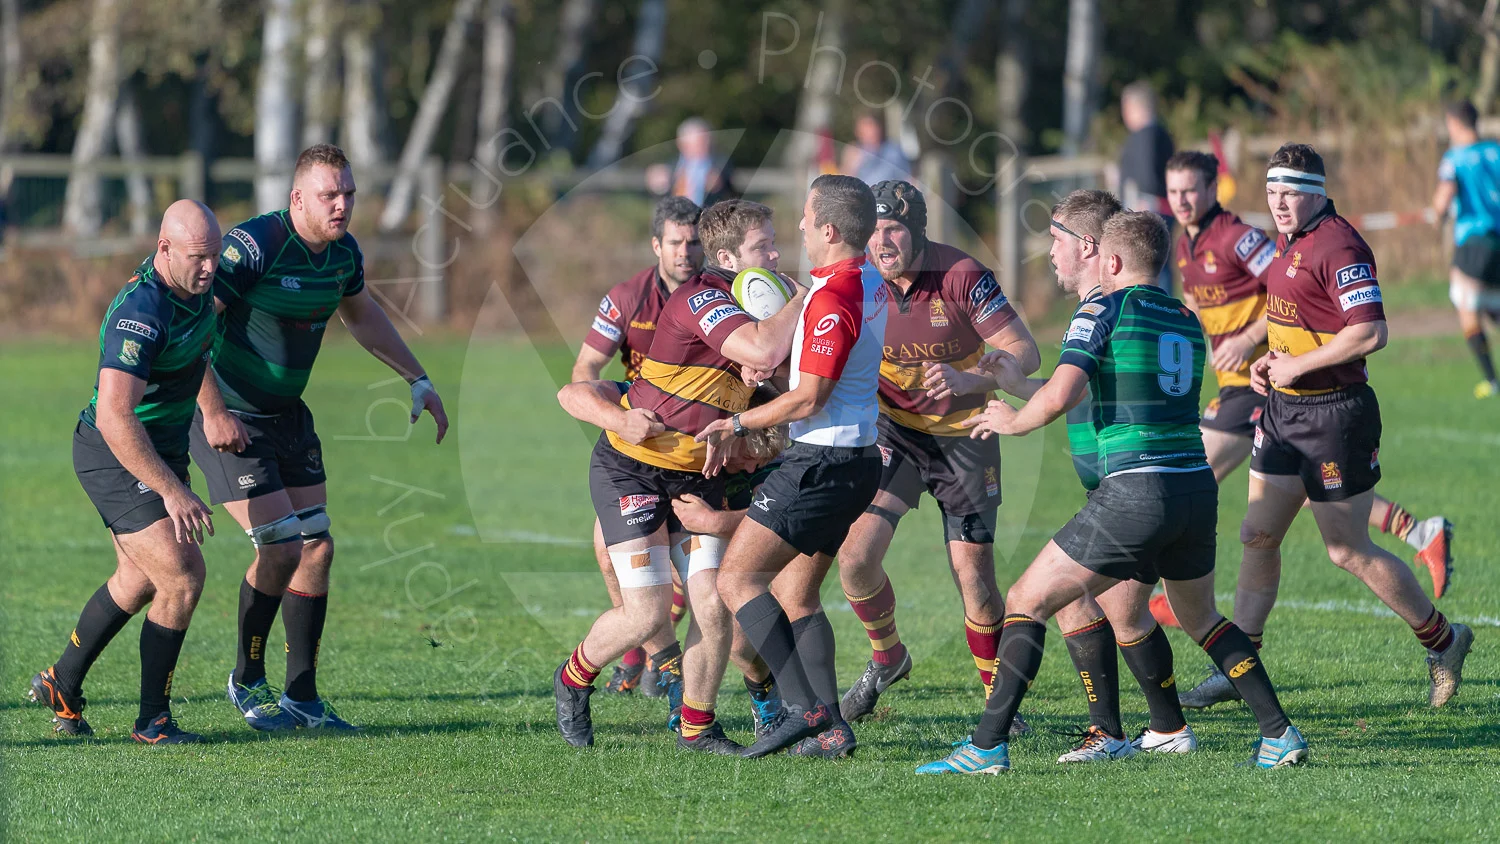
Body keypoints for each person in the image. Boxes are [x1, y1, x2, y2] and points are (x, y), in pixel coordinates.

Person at [916, 211, 1308, 774]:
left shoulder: (1105, 307)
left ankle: (985, 748)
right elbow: (1115, 387)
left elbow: (1063, 394)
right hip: (1194, 485)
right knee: (1201, 618)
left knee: (1027, 599)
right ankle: (1279, 733)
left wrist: (1013, 420)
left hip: (1135, 489)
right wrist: (1016, 383)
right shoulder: (1183, 316)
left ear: (1115, 261)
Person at [1198, 144, 1474, 714]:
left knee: (1345, 549)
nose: (1278, 203)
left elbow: (1371, 331)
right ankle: (1240, 664)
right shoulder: (1289, 237)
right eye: (1271, 192)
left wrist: (1298, 364)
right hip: (1282, 414)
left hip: (1334, 415)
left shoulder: (1339, 244)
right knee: (1257, 534)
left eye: (1290, 192)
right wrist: (1270, 358)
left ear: (1318, 190)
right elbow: (1298, 318)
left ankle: (1444, 641)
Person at [192, 144, 449, 732]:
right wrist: (211, 412)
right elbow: (192, 327)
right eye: (330, 195)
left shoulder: (343, 255)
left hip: (288, 417)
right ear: (297, 198)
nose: (342, 205)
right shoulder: (254, 246)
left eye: (349, 194)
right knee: (281, 545)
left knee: (318, 548)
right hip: (230, 417)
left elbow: (361, 316)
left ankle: (302, 697)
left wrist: (418, 378)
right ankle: (247, 679)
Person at [552, 199, 806, 753]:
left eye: (773, 243)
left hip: (697, 478)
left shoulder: (752, 302)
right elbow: (763, 347)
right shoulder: (701, 297)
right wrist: (806, 296)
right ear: (727, 256)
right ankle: (573, 679)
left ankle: (697, 725)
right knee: (644, 614)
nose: (776, 254)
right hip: (633, 470)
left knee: (713, 603)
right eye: (763, 246)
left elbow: (777, 368)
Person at [828, 179, 1041, 728]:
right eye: (872, 231)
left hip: (964, 435)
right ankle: (888, 657)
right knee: (854, 559)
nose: (882, 241)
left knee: (972, 573)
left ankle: (999, 700)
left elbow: (1025, 351)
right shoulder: (859, 280)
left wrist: (969, 378)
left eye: (893, 228)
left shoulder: (961, 276)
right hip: (894, 434)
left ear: (918, 229)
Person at [697, 174, 889, 759]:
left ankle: (800, 708)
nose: (799, 228)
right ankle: (831, 729)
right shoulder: (865, 281)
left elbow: (810, 399)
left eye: (805, 219)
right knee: (797, 595)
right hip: (852, 461)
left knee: (736, 579)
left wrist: (735, 424)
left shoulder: (833, 298)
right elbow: (822, 376)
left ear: (829, 230)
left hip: (821, 462)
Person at [30, 201, 221, 744]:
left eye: (214, 257)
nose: (209, 269)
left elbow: (196, 353)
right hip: (115, 451)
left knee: (139, 579)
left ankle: (61, 681)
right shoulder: (140, 312)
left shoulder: (201, 289)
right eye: (197, 258)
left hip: (159, 449)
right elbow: (115, 415)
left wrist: (215, 408)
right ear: (164, 249)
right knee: (183, 575)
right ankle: (153, 721)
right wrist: (174, 490)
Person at [559, 378, 789, 740]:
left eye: (756, 463)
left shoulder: (765, 454)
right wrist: (619, 421)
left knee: (726, 623)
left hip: (715, 514)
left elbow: (777, 516)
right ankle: (590, 678)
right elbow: (572, 393)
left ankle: (758, 695)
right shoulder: (681, 395)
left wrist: (717, 521)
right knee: (643, 608)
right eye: (745, 458)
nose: (748, 469)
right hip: (640, 480)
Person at [572, 195, 704, 698]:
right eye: (676, 242)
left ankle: (659, 662)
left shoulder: (721, 297)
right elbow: (584, 372)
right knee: (608, 553)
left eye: (694, 243)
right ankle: (645, 653)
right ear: (656, 245)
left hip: (698, 447)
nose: (685, 252)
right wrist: (618, 411)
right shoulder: (627, 298)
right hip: (639, 445)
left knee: (699, 567)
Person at [1432, 99, 1500, 399]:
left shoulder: (1454, 158)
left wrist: (1436, 213)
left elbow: (1444, 196)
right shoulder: (1496, 151)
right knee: (1491, 303)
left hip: (1474, 239)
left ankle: (1491, 379)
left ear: (1455, 124)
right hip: (1498, 240)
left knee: (1464, 303)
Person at [1116, 81, 1175, 291]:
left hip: (1148, 207)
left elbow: (1146, 173)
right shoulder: (1162, 133)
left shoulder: (1144, 136)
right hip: (1160, 207)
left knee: (1151, 266)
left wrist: (1141, 204)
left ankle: (1157, 312)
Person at [646, 118, 736, 207]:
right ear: (681, 144)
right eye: (699, 143)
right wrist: (656, 185)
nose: (705, 146)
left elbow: (730, 188)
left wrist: (718, 183)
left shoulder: (720, 163)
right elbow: (660, 197)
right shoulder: (670, 166)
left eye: (706, 141)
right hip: (676, 217)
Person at [840, 111, 911, 186]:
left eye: (873, 127)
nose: (871, 132)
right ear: (858, 132)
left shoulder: (893, 150)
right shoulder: (853, 151)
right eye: (866, 129)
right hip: (863, 195)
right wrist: (852, 166)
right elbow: (843, 182)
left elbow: (908, 177)